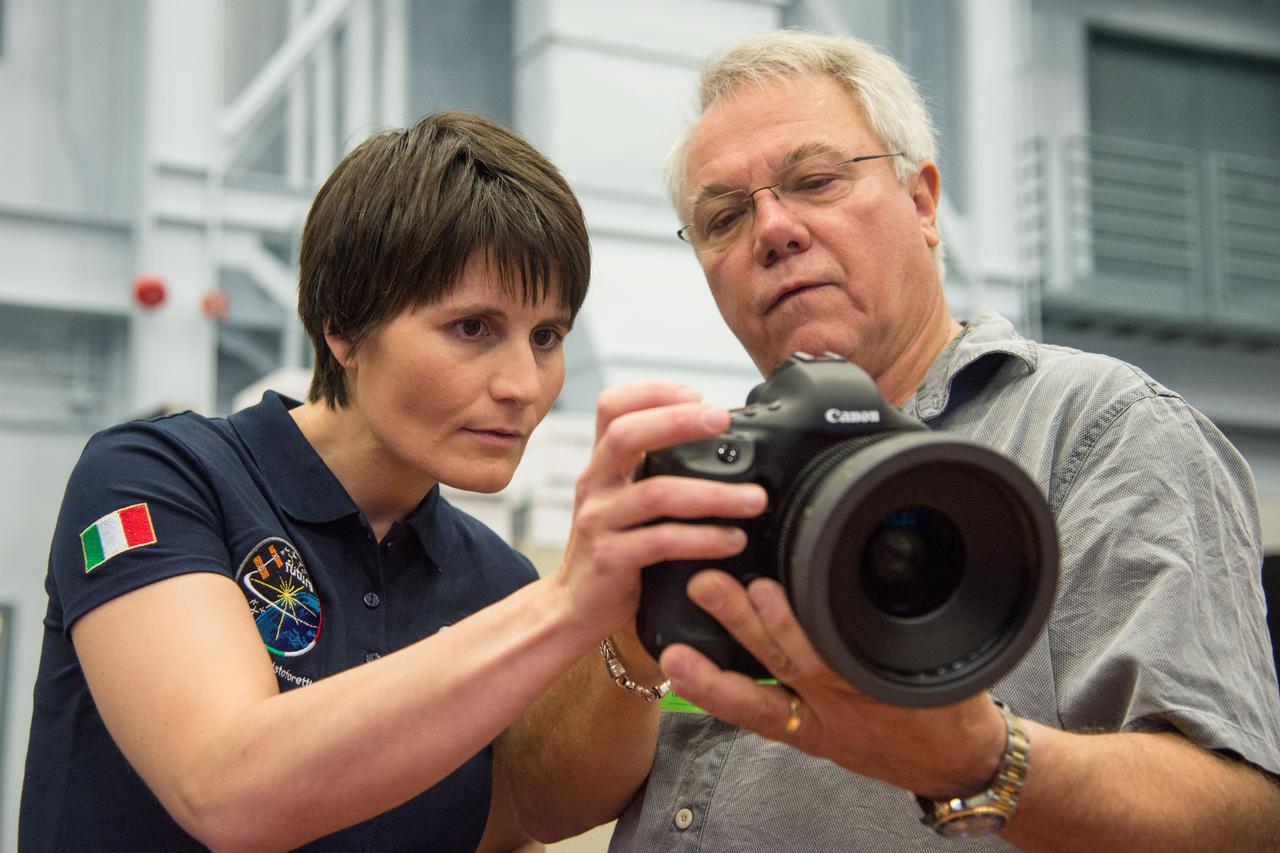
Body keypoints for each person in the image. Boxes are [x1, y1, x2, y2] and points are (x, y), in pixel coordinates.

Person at [584, 30, 1280, 851]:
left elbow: (1242, 820)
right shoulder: (701, 479)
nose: (772, 228)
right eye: (724, 217)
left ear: (921, 202)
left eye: (816, 180)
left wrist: (983, 759)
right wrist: (616, 626)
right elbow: (543, 803)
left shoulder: (1098, 429)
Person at [18, 110, 766, 851]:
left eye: (547, 336)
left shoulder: (497, 581)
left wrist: (630, 632)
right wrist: (569, 601)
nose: (522, 384)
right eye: (472, 328)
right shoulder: (159, 479)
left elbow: (529, 821)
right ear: (343, 328)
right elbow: (225, 790)